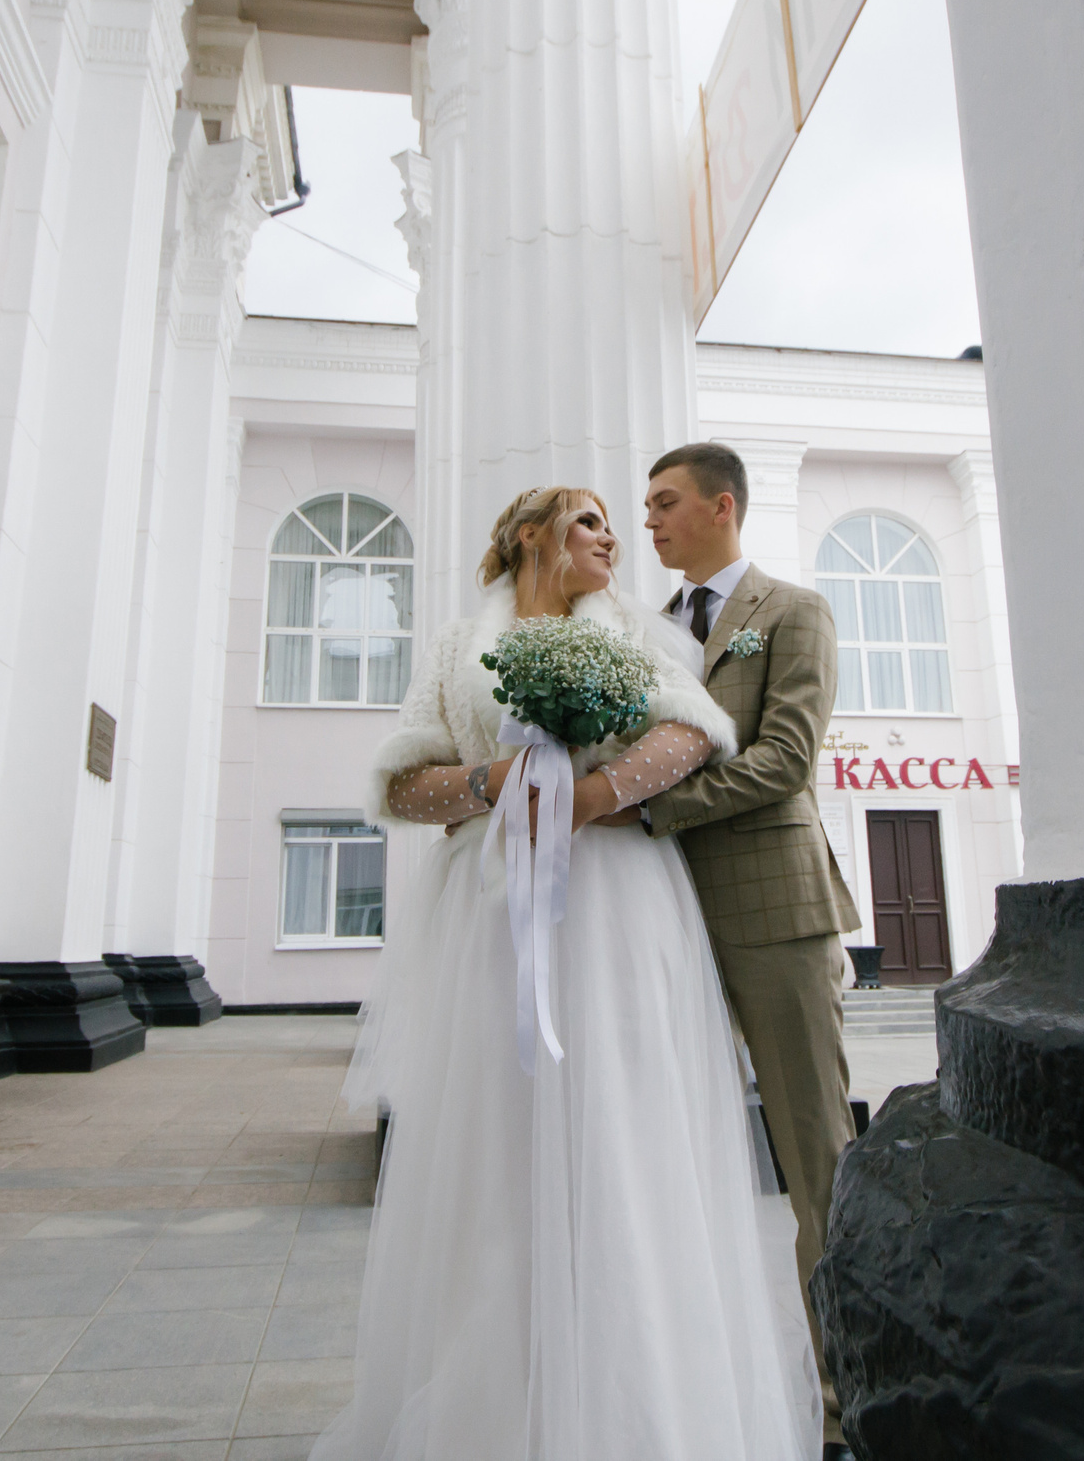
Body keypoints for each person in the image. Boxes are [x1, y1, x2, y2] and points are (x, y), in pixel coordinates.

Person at [316, 486, 820, 1461]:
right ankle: (498, 1402)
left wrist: (591, 793)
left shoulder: (629, 630)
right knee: (500, 1144)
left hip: (613, 905)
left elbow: (691, 730)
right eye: (589, 521)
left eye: (613, 524)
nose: (612, 537)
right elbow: (402, 781)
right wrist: (489, 782)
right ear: (527, 534)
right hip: (489, 915)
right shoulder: (457, 647)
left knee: (618, 1127)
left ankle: (633, 1404)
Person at [620, 442, 863, 1460]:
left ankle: (847, 1402)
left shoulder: (792, 611)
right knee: (668, 1162)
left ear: (722, 506)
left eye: (665, 502)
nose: (648, 520)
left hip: (774, 915)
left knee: (817, 1167)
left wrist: (642, 810)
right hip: (662, 919)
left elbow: (785, 759)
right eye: (644, 505)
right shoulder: (642, 632)